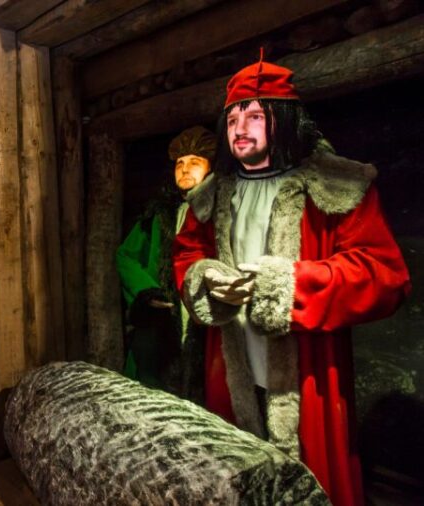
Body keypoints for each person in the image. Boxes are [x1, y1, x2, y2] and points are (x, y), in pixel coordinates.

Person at [173, 54, 410, 506]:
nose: (240, 127)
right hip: (232, 362)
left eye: (255, 115)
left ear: (282, 120)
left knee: (312, 481)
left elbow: (385, 275)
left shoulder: (337, 184)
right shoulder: (212, 194)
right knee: (234, 474)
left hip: (306, 368)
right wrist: (204, 280)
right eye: (233, 117)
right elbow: (189, 253)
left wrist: (288, 286)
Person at [116, 126, 214, 400]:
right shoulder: (157, 215)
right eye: (180, 163)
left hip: (206, 320)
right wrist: (146, 292)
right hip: (163, 319)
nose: (185, 169)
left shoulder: (219, 210)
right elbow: (126, 255)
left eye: (194, 162)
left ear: (211, 167)